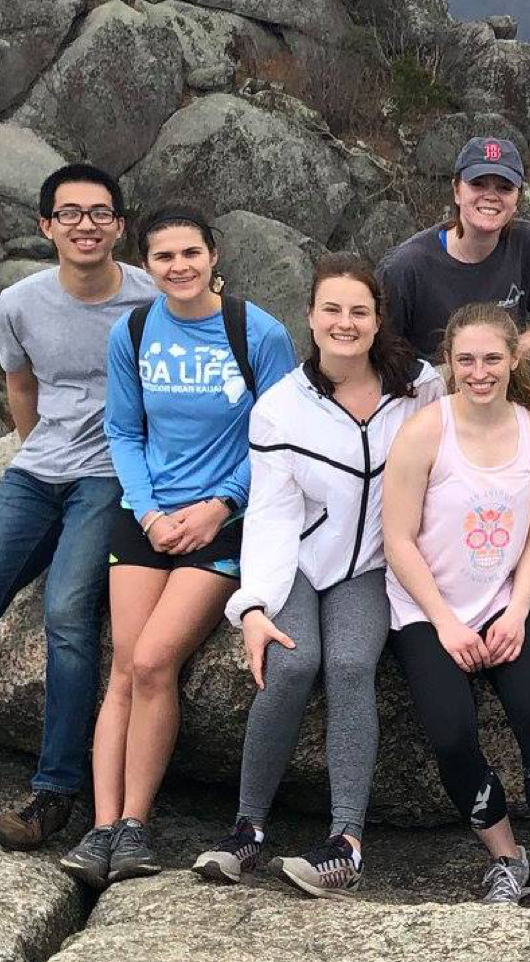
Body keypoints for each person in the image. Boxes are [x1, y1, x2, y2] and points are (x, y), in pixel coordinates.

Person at [190, 254, 444, 897]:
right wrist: (252, 607)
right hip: (299, 563)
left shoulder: (419, 386)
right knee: (293, 662)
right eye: (331, 309)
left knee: (352, 667)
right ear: (310, 316)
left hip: (371, 566)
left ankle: (345, 843)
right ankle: (247, 830)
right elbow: (271, 515)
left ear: (378, 318)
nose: (345, 322)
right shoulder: (282, 408)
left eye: (359, 310)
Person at [58, 206, 295, 888]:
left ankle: (136, 822)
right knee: (125, 668)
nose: (180, 267)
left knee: (156, 660)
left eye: (191, 253)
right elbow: (123, 431)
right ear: (148, 264)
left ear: (214, 254)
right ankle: (103, 830)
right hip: (148, 517)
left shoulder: (257, 332)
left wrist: (220, 503)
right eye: (164, 257)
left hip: (221, 520)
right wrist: (151, 510)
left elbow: (281, 435)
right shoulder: (133, 330)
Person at [0, 164, 155, 847]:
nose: (85, 224)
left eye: (99, 212)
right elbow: (21, 388)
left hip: (108, 477)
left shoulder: (151, 301)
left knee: (66, 613)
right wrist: (38, 452)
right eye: (69, 213)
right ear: (45, 225)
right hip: (35, 473)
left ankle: (55, 793)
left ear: (119, 225)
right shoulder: (19, 304)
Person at [383, 303, 530, 908]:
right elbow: (398, 540)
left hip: (501, 605)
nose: (479, 371)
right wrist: (446, 623)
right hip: (429, 610)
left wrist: (514, 612)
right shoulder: (425, 431)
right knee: (453, 735)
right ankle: (508, 858)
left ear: (513, 360)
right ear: (449, 364)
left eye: (491, 358)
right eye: (465, 360)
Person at [377, 137, 530, 360]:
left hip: (509, 381)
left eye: (504, 188)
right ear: (456, 190)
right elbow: (381, 350)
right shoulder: (405, 267)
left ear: (517, 199)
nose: (491, 195)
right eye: (478, 184)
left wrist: (506, 356)